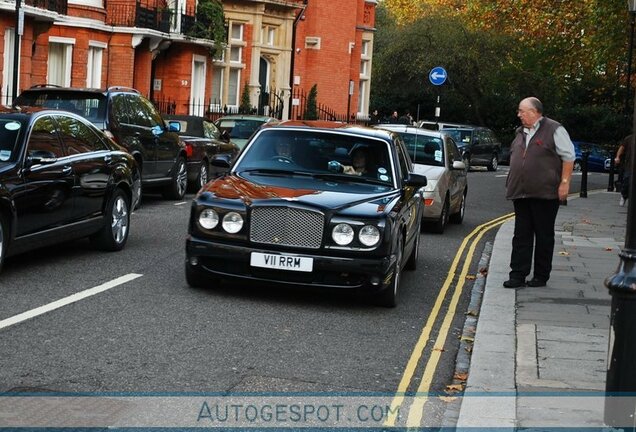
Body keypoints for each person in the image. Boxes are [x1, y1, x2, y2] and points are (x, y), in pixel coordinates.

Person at [503, 97, 576, 289]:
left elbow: (569, 157)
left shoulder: (554, 129)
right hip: (521, 192)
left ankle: (541, 276)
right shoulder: (520, 132)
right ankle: (517, 275)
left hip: (545, 193)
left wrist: (565, 183)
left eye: (522, 111)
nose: (519, 115)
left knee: (543, 235)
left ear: (535, 112)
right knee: (521, 235)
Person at [615, 134, 632, 207]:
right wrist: (617, 157)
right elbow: (622, 148)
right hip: (629, 165)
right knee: (626, 181)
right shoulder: (629, 138)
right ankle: (624, 196)